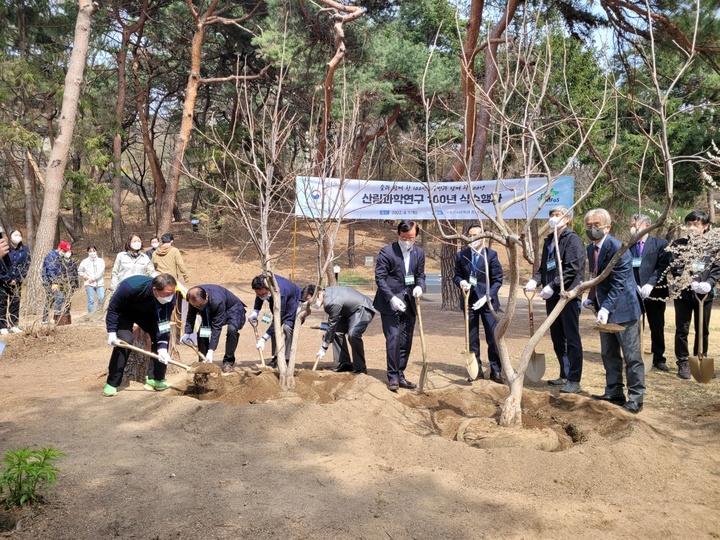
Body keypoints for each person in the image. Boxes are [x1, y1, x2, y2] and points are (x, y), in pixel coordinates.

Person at [582, 208, 645, 413]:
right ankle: (614, 392)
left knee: (631, 356)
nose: (593, 229)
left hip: (624, 309)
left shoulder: (618, 248)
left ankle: (636, 398)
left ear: (607, 227)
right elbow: (596, 277)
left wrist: (606, 308)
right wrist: (591, 299)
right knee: (609, 353)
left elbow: (619, 284)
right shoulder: (591, 249)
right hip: (605, 309)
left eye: (597, 225)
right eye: (589, 226)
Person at [525, 206, 586, 393]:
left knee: (571, 337)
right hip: (551, 296)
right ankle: (564, 373)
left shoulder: (573, 240)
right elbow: (544, 267)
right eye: (551, 215)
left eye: (557, 215)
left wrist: (553, 285)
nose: (553, 218)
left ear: (567, 219)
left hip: (567, 296)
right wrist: (535, 281)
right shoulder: (550, 240)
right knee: (557, 337)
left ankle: (574, 379)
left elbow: (572, 268)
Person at [104, 273, 178, 397]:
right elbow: (113, 308)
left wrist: (162, 347)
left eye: (172, 292)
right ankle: (112, 383)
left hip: (148, 314)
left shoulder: (170, 298)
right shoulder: (130, 287)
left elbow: (164, 323)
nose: (170, 296)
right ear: (155, 289)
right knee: (125, 341)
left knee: (160, 340)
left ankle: (156, 378)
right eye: (167, 293)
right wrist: (111, 332)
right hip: (125, 312)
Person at [373, 220, 426, 391]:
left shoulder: (419, 253)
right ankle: (393, 377)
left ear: (416, 236)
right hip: (390, 304)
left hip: (409, 303)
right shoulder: (387, 252)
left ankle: (401, 373)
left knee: (405, 340)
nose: (407, 241)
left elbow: (420, 275)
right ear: (398, 235)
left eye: (411, 237)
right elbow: (380, 278)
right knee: (393, 338)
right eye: (404, 237)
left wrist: (419, 286)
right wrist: (392, 298)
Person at [668, 210, 720, 380]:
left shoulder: (714, 245)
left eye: (695, 224)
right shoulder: (678, 244)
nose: (691, 228)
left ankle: (701, 357)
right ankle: (683, 361)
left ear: (705, 226)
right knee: (682, 329)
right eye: (688, 224)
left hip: (704, 295)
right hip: (684, 293)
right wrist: (687, 281)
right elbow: (675, 266)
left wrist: (709, 283)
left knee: (702, 328)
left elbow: (717, 267)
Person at [454, 223, 504, 383]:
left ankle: (496, 370)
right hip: (470, 301)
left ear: (483, 236)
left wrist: (488, 296)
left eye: (477, 235)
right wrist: (461, 282)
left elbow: (498, 280)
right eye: (470, 235)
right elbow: (456, 275)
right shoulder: (462, 256)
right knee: (472, 336)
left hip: (488, 302)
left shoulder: (491, 255)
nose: (473, 238)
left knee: (492, 336)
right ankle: (476, 370)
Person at [301, 284, 377, 374]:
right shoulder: (327, 295)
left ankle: (360, 368)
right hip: (350, 312)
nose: (312, 304)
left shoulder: (331, 302)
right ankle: (345, 363)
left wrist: (324, 347)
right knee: (337, 331)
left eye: (312, 300)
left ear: (319, 293)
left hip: (363, 309)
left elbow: (331, 324)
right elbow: (332, 327)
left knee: (353, 334)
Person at [629, 214, 671, 372]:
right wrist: (634, 285)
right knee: (634, 325)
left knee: (657, 325)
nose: (631, 227)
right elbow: (626, 268)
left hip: (654, 292)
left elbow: (663, 267)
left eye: (634, 224)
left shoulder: (660, 243)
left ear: (646, 225)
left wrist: (650, 284)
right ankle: (634, 355)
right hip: (634, 292)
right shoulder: (629, 245)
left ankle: (658, 358)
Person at [181, 285, 247, 373]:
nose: (198, 307)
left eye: (200, 304)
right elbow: (191, 315)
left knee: (232, 329)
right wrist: (187, 333)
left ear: (207, 296)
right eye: (195, 306)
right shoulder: (192, 297)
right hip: (209, 307)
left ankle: (228, 362)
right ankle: (203, 360)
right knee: (203, 331)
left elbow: (216, 327)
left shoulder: (217, 301)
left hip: (232, 308)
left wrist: (211, 350)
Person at [249, 274, 302, 369]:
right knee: (274, 330)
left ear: (269, 289)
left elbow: (279, 317)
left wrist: (264, 339)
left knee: (288, 328)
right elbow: (259, 296)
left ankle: (287, 359)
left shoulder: (281, 292)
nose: (261, 296)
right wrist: (255, 312)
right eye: (258, 294)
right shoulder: (262, 281)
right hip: (275, 298)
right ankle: (276, 357)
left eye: (263, 294)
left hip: (294, 302)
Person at [0, 229, 30, 333]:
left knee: (15, 303)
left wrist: (18, 279)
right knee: (2, 303)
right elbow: (2, 265)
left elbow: (27, 265)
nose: (17, 236)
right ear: (10, 236)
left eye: (19, 234)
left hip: (17, 281)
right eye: (15, 234)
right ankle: (2, 326)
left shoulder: (25, 250)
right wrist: (7, 279)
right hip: (3, 280)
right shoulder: (4, 249)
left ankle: (14, 324)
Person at [41, 241, 77, 324]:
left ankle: (47, 319)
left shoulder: (60, 257)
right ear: (60, 248)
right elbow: (51, 270)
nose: (65, 253)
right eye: (64, 251)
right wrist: (55, 282)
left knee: (51, 299)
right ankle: (55, 318)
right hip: (50, 282)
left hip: (58, 281)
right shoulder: (51, 256)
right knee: (58, 297)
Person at [78, 245, 106, 313]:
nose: (92, 252)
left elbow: (101, 272)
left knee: (101, 298)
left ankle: (98, 313)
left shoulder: (101, 261)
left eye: (94, 251)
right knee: (91, 300)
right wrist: (84, 275)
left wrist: (93, 278)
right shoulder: (84, 261)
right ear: (87, 252)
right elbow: (79, 271)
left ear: (96, 251)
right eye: (90, 251)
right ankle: (90, 315)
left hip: (99, 283)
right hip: (89, 283)